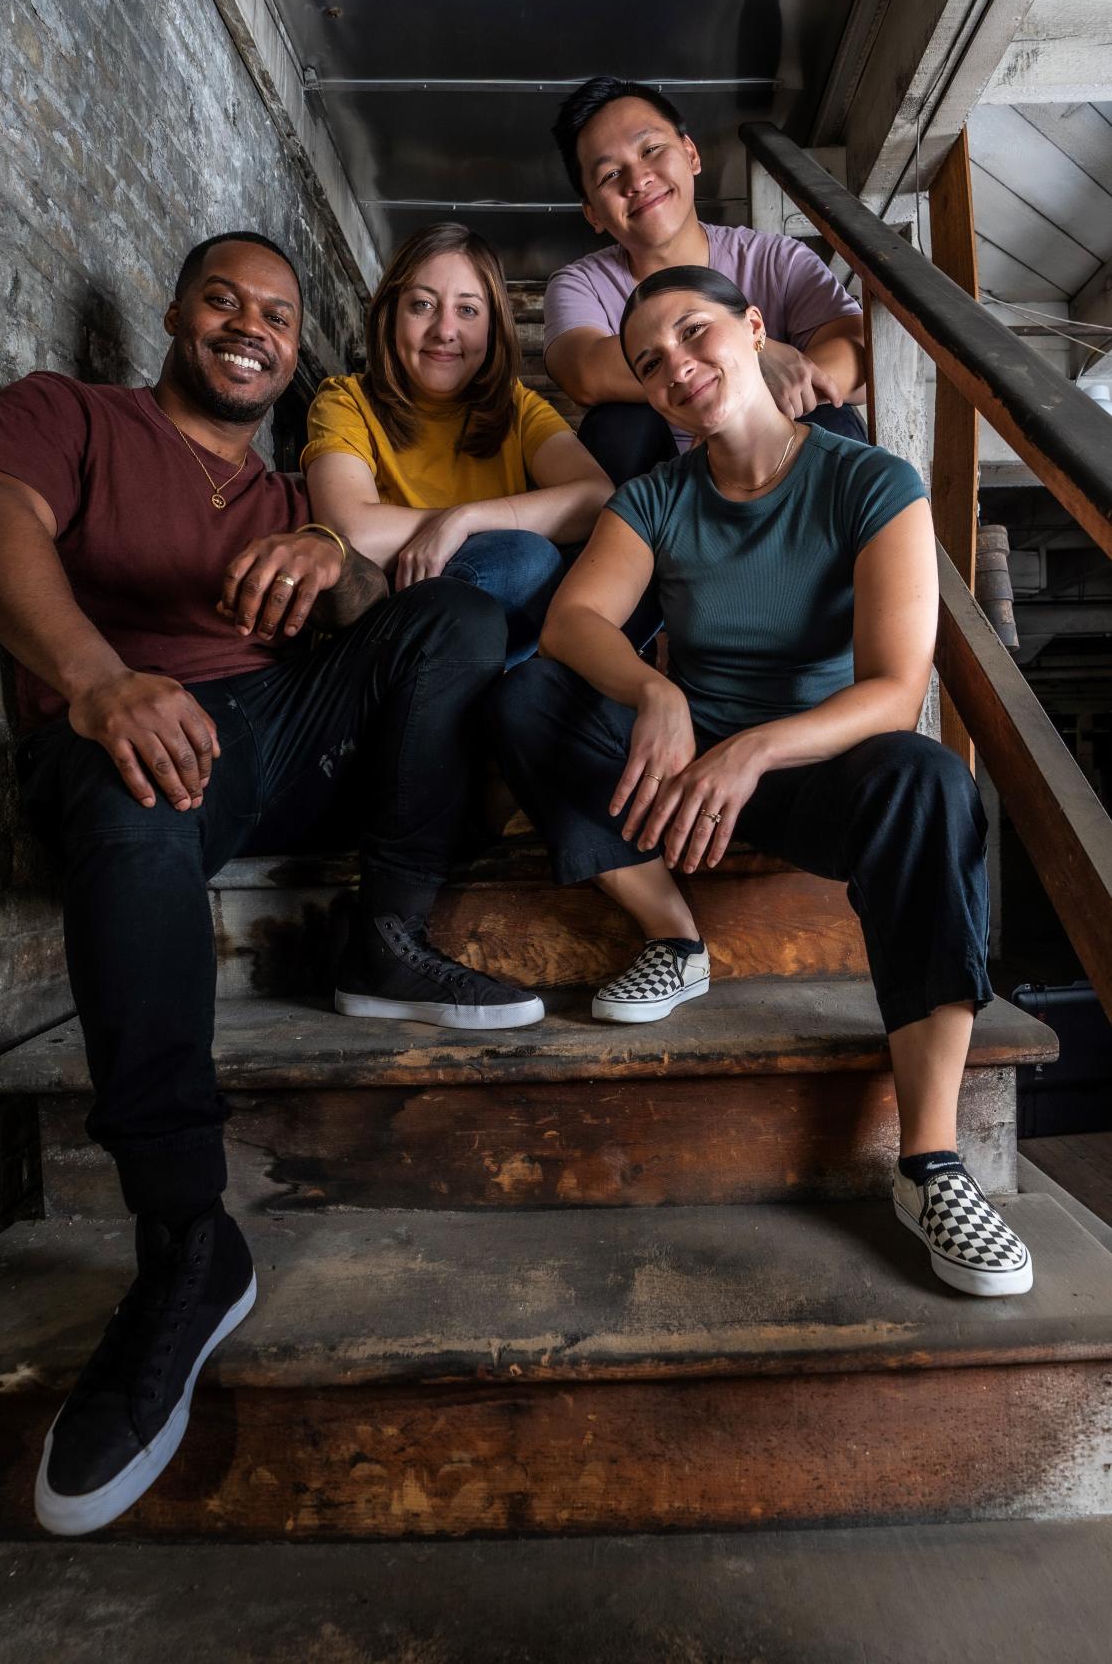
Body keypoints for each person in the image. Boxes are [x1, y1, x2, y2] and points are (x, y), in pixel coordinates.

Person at [0, 232, 545, 1539]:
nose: (249, 324)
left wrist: (340, 553)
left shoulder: (284, 501)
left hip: (273, 735)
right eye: (224, 298)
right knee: (128, 792)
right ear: (174, 313)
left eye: (275, 312)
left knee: (457, 616)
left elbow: (394, 630)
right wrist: (97, 678)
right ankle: (184, 1242)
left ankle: (386, 932)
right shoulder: (70, 413)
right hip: (125, 736)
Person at [491, 264, 1032, 1301]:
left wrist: (754, 749)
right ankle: (675, 937)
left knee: (928, 782)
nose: (677, 369)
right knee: (525, 698)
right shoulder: (657, 495)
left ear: (752, 328)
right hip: (681, 769)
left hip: (816, 764)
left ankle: (931, 1164)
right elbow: (574, 621)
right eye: (650, 364)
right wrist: (657, 691)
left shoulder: (867, 481)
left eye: (696, 335)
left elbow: (893, 687)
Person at [302, 222, 612, 665]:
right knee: (525, 557)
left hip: (492, 640)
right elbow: (352, 531)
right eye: (423, 305)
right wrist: (476, 523)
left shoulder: (517, 409)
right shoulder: (345, 400)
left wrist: (465, 521)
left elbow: (599, 498)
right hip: (387, 632)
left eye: (467, 311)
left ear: (492, 327)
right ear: (391, 313)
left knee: (542, 563)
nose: (444, 330)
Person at [544, 75, 868, 494]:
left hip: (775, 477)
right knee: (617, 425)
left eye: (651, 150)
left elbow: (857, 356)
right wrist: (754, 357)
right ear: (592, 213)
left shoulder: (775, 259)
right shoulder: (580, 285)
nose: (638, 180)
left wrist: (737, 415)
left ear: (691, 153)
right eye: (609, 175)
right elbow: (585, 370)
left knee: (831, 419)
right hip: (664, 497)